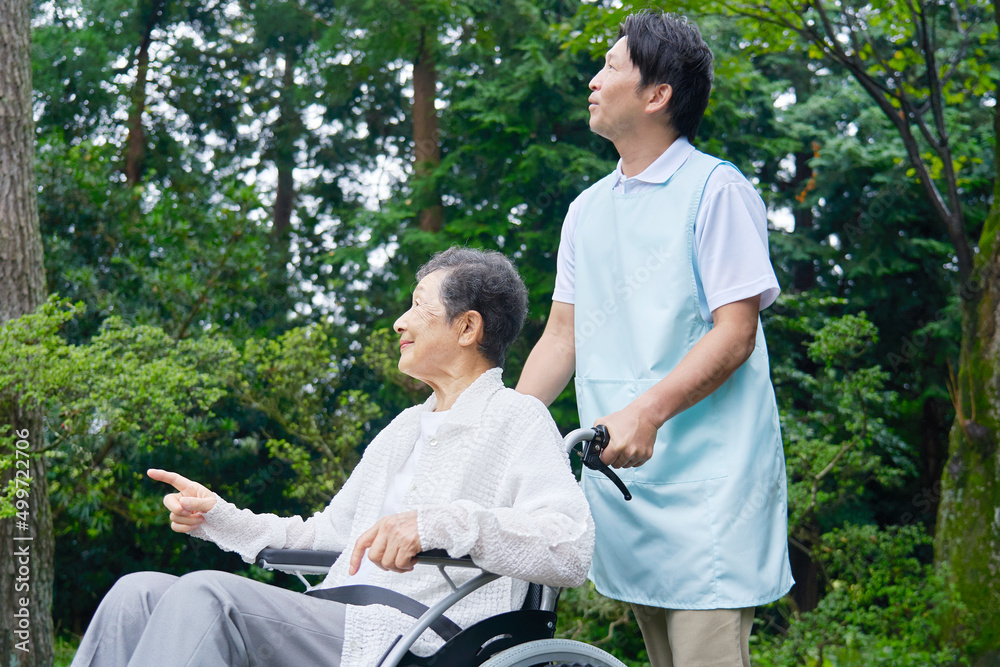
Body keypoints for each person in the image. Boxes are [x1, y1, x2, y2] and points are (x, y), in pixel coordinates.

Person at [71, 247, 595, 667]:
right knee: (134, 594)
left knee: (209, 596)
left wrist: (440, 525)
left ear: (467, 328)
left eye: (418, 306)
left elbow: (569, 547)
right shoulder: (404, 429)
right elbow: (327, 538)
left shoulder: (516, 418)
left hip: (421, 634)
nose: (399, 321)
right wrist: (222, 519)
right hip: (335, 615)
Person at [516, 11, 794, 667]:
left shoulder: (715, 190)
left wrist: (646, 410)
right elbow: (562, 338)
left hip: (712, 498)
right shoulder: (587, 210)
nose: (593, 80)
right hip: (627, 494)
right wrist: (506, 432)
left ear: (658, 94)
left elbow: (736, 333)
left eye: (611, 66)